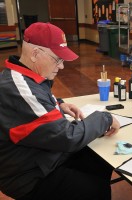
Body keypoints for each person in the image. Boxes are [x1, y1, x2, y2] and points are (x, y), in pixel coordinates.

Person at [0, 22, 120, 200]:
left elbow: (37, 97)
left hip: (42, 157)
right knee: (94, 190)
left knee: (99, 159)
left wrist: (59, 103)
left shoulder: (23, 75)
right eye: (58, 59)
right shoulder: (19, 90)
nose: (61, 66)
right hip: (28, 176)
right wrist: (105, 118)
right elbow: (67, 137)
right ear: (35, 54)